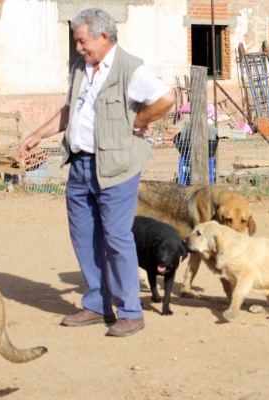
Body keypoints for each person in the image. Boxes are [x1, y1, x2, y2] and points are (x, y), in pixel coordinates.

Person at [20, 8, 175, 337]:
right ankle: (96, 305)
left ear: (104, 37)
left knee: (117, 239)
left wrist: (138, 122)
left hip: (116, 167)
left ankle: (131, 311)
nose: (78, 47)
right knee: (84, 238)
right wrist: (38, 134)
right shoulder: (80, 68)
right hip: (80, 164)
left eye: (82, 40)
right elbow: (69, 109)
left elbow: (166, 98)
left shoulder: (130, 67)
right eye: (76, 41)